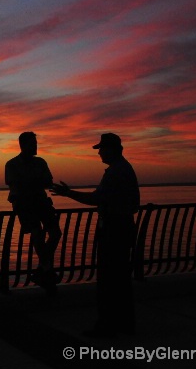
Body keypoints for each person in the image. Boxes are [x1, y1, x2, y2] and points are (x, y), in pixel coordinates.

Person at [52, 133, 140, 338]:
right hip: (121, 226)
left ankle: (107, 326)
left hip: (114, 228)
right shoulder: (122, 170)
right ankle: (124, 325)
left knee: (109, 280)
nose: (99, 152)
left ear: (113, 149)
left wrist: (69, 194)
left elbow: (97, 198)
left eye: (102, 148)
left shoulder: (116, 172)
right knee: (120, 281)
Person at [5, 132, 62, 293]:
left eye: (36, 143)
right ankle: (46, 269)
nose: (36, 146)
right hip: (24, 204)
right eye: (32, 143)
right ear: (23, 145)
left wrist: (30, 182)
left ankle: (42, 269)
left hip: (41, 201)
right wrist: (34, 182)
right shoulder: (12, 164)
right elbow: (16, 184)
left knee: (56, 233)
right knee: (37, 233)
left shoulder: (40, 162)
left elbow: (47, 181)